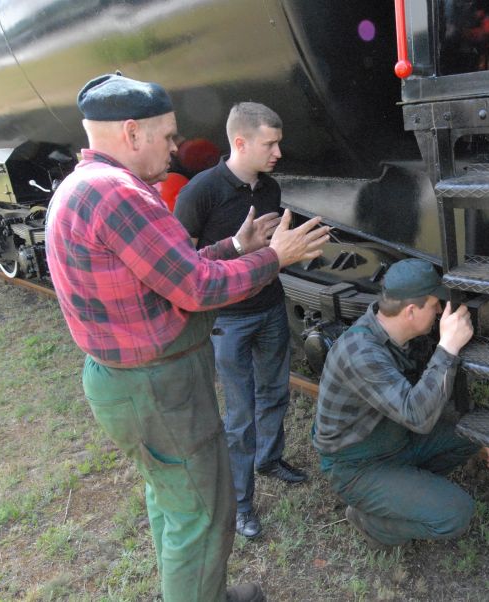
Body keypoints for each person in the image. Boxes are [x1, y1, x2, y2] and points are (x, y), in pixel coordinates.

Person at [44, 73, 329, 602]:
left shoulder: (83, 187)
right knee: (202, 513)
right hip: (157, 385)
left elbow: (170, 272)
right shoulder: (120, 195)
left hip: (133, 382)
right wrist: (275, 257)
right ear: (132, 133)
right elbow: (196, 289)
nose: (178, 147)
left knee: (175, 501)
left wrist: (237, 247)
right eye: (169, 135)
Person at [312, 258, 489, 550]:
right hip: (357, 466)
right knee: (455, 513)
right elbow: (418, 416)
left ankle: (404, 489)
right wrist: (449, 347)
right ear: (412, 311)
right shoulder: (360, 351)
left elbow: (427, 397)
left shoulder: (401, 337)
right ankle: (370, 521)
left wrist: (480, 435)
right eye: (435, 305)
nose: (441, 311)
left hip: (395, 441)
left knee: (468, 435)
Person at [175, 103, 304, 542]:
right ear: (241, 142)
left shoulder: (270, 188)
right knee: (240, 416)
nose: (278, 152)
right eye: (270, 144)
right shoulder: (199, 193)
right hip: (227, 322)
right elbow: (182, 264)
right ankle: (243, 505)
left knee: (275, 393)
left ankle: (269, 460)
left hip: (269, 308)